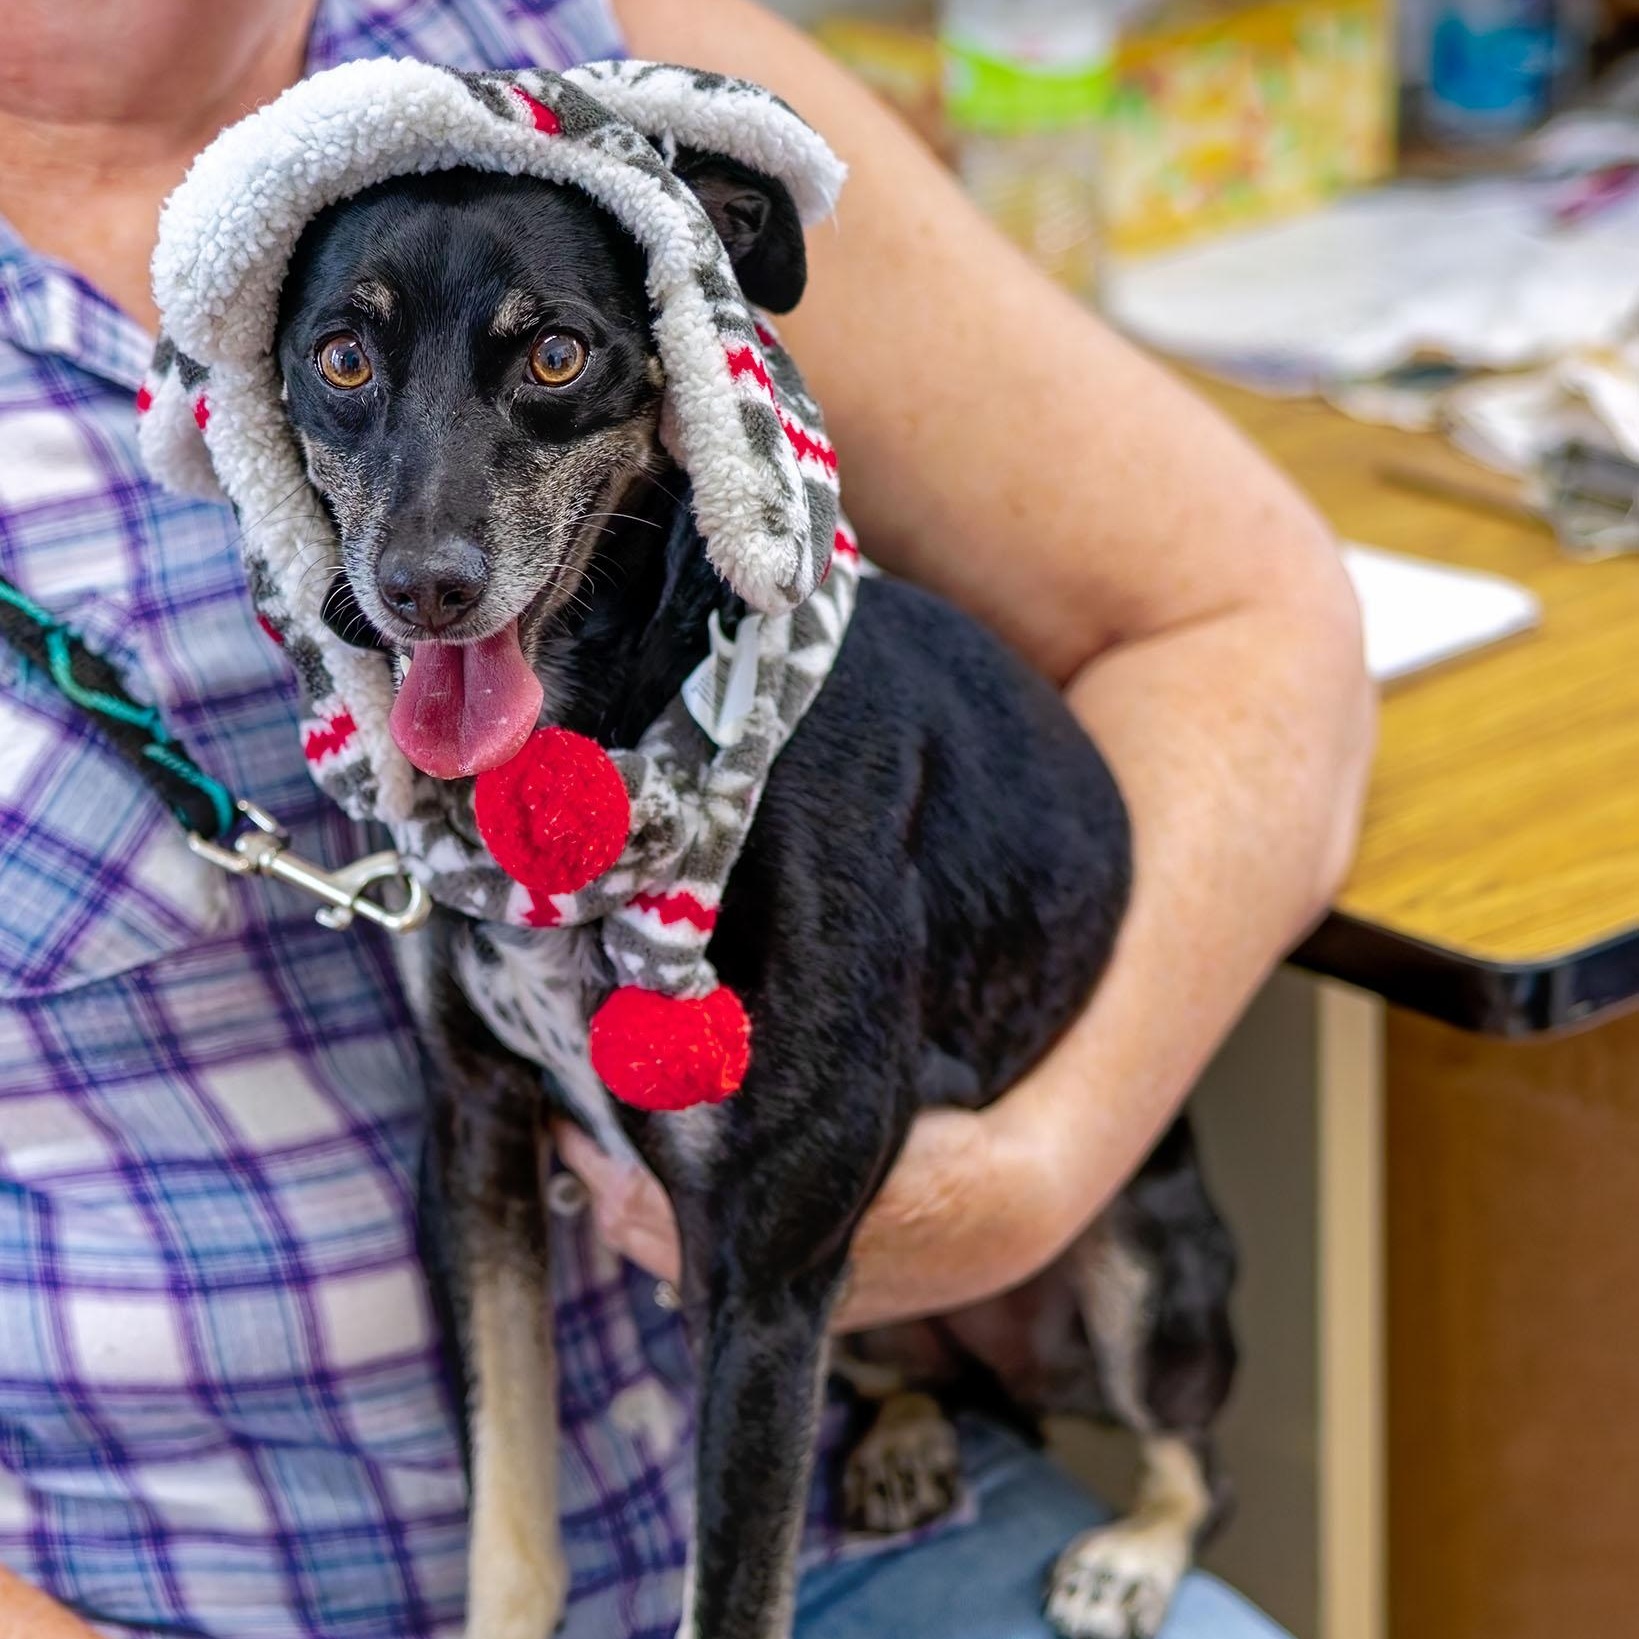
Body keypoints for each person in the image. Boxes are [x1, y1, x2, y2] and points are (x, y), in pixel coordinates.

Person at [0, 1, 1374, 1635]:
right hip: (180, 1597)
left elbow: (1247, 615)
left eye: (557, 358)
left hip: (849, 1506)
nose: (427, 560)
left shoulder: (609, 51)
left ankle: (1146, 1481)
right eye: (349, 370)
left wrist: (1026, 1175)